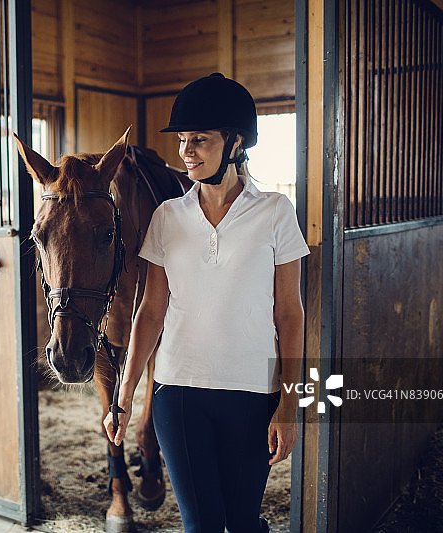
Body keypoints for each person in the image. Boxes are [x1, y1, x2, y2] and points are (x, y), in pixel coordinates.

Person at [103, 73, 309, 533]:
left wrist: (290, 407)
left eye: (199, 139)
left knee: (242, 522)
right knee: (201, 527)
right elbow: (150, 312)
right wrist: (125, 392)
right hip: (178, 396)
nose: (185, 151)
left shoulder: (275, 211)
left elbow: (290, 315)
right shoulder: (167, 216)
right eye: (182, 140)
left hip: (255, 396)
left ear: (235, 142)